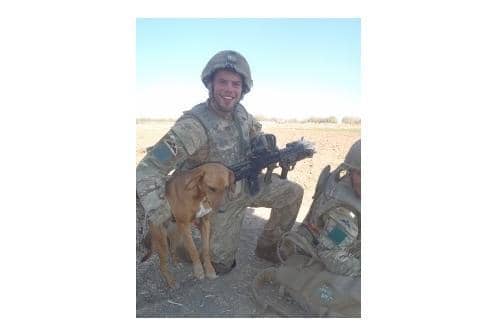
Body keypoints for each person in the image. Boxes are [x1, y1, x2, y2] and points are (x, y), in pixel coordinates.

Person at [136, 50, 304, 274]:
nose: (229, 89)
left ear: (243, 89)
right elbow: (148, 169)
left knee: (293, 192)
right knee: (220, 264)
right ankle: (173, 238)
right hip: (211, 197)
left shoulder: (242, 113)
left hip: (244, 183)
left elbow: (256, 132)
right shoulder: (193, 126)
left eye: (236, 84)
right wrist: (164, 214)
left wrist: (270, 149)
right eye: (222, 82)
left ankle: (268, 247)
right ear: (211, 84)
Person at [297, 139, 361, 276]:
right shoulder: (345, 213)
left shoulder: (354, 184)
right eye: (361, 174)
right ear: (350, 171)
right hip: (324, 248)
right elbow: (331, 254)